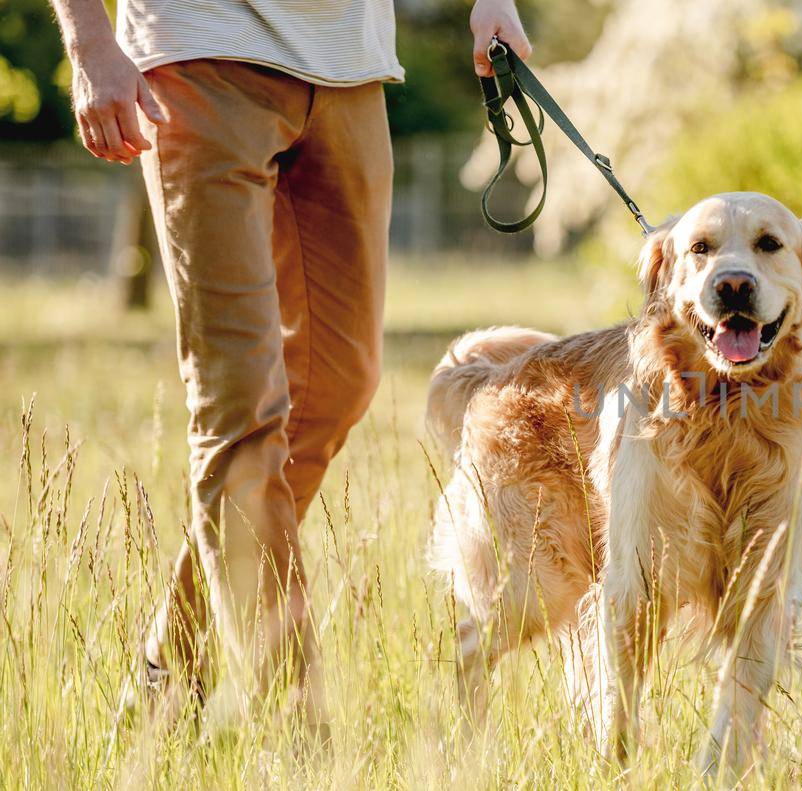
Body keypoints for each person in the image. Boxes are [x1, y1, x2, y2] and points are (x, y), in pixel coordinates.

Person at [49, 0, 534, 728]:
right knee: (238, 406)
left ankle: (166, 669)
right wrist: (89, 43)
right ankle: (296, 729)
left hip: (348, 64)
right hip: (195, 53)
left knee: (335, 388)